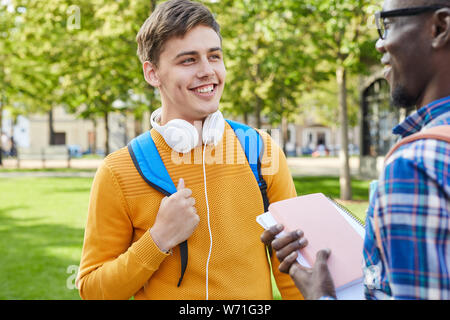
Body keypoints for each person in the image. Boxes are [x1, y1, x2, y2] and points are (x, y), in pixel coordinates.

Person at [77, 0, 305, 300]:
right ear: (152, 73)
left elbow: (294, 271)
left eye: (214, 56)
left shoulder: (262, 152)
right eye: (188, 60)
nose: (208, 71)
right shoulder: (119, 171)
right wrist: (157, 239)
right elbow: (94, 290)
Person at [261, 0, 450, 300]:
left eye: (387, 25)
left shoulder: (414, 165)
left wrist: (320, 295)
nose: (379, 44)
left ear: (440, 28)